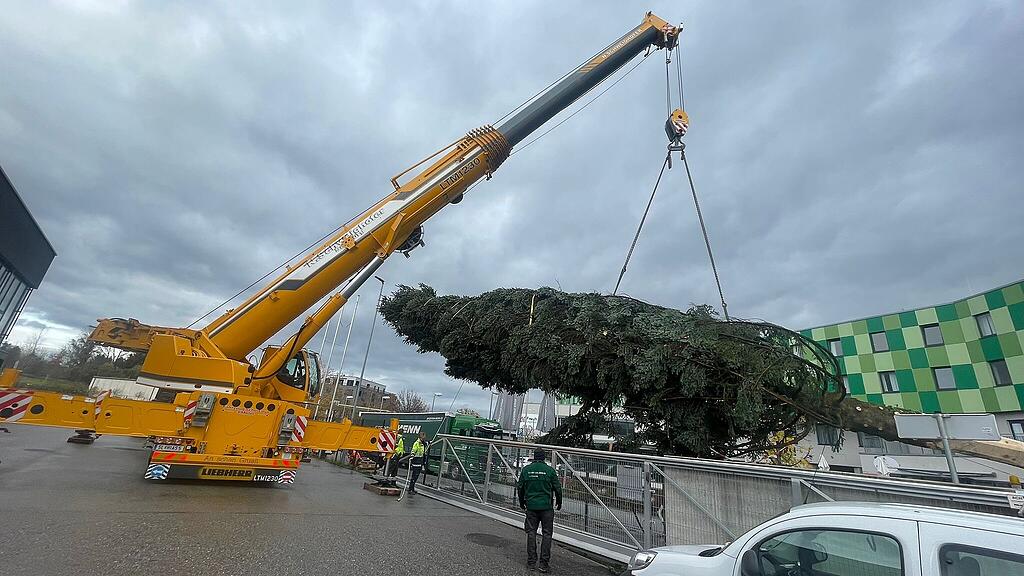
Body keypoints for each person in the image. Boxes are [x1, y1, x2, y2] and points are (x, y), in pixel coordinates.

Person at [517, 448, 562, 572]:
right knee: (547, 534)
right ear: (543, 458)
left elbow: (520, 488)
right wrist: (559, 501)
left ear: (534, 457)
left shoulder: (526, 470)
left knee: (531, 533)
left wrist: (522, 503)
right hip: (546, 508)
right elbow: (557, 488)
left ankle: (531, 563)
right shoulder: (550, 471)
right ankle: (543, 564)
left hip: (531, 507)